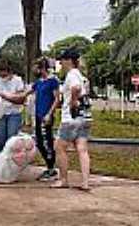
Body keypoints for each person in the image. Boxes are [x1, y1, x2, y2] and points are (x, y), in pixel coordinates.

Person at [3, 57, 60, 181]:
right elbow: (24, 94)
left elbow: (57, 99)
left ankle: (51, 169)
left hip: (46, 116)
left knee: (46, 142)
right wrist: (5, 96)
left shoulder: (53, 81)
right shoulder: (38, 82)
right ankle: (50, 168)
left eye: (37, 67)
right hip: (38, 116)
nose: (35, 70)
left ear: (43, 68)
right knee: (39, 142)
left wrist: (50, 114)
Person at [52, 49, 92, 190]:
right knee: (82, 148)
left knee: (59, 147)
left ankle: (63, 180)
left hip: (71, 118)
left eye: (62, 60)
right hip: (85, 117)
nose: (61, 63)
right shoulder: (81, 75)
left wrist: (73, 101)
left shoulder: (72, 74)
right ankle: (85, 182)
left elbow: (75, 88)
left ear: (69, 60)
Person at [0, 63, 25, 151]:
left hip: (14, 113)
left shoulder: (17, 81)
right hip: (1, 113)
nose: (3, 78)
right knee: (1, 141)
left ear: (10, 73)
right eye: (1, 75)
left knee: (11, 140)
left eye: (5, 75)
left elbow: (20, 99)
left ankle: (11, 161)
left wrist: (6, 97)